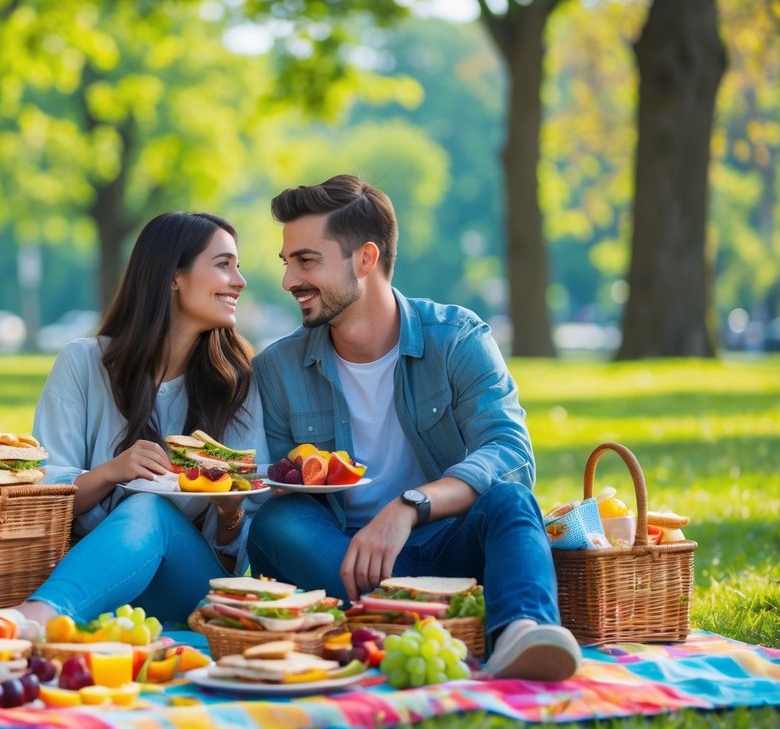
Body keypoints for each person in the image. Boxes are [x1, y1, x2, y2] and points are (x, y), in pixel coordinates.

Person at [245, 174, 581, 681]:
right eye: (287, 262)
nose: (289, 279)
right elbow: (283, 489)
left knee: (513, 501)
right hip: (341, 555)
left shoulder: (457, 337)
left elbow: (510, 453)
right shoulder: (277, 368)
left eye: (306, 260)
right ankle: (427, 615)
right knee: (276, 526)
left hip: (445, 540)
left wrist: (409, 506)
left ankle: (520, 633)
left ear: (365, 258)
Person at [7, 211, 270, 635]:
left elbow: (230, 564)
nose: (239, 280)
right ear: (173, 277)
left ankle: (33, 620)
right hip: (90, 575)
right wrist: (113, 472)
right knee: (143, 503)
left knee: (151, 507)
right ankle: (40, 616)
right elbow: (42, 505)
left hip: (190, 590)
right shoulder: (83, 362)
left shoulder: (238, 383)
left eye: (237, 266)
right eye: (223, 265)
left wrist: (229, 514)